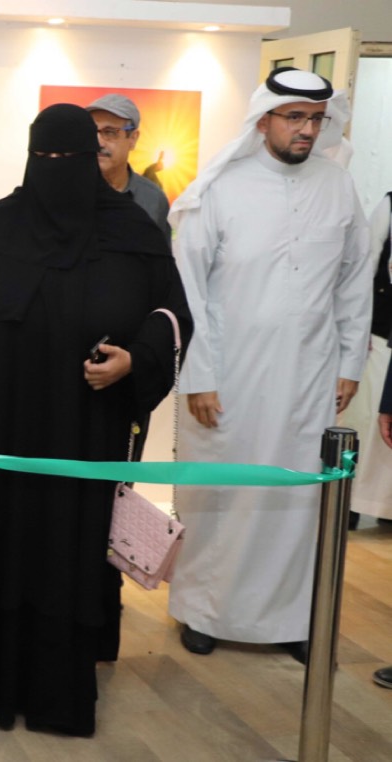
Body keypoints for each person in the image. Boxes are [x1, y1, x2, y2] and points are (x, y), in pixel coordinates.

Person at [0, 103, 191, 737]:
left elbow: (172, 315)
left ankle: (57, 693)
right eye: (42, 158)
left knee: (70, 554)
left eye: (66, 159)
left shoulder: (131, 230)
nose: (54, 170)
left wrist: (133, 361)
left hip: (84, 430)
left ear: (91, 159)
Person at [168, 67, 370, 664]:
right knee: (223, 493)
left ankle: (291, 619)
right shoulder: (220, 188)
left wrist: (350, 362)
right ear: (264, 120)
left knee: (299, 498)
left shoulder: (338, 186)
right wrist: (198, 375)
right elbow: (187, 290)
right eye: (295, 117)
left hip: (310, 377)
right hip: (228, 376)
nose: (307, 129)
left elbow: (354, 282)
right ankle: (204, 612)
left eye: (317, 119)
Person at [346, 192, 392, 526]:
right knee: (367, 421)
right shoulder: (388, 207)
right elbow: (366, 268)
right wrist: (357, 328)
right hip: (380, 337)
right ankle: (351, 504)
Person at [87, 94, 171, 244]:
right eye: (92, 132)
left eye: (109, 132)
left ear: (132, 138)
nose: (98, 142)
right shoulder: (69, 191)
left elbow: (160, 257)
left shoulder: (153, 199)